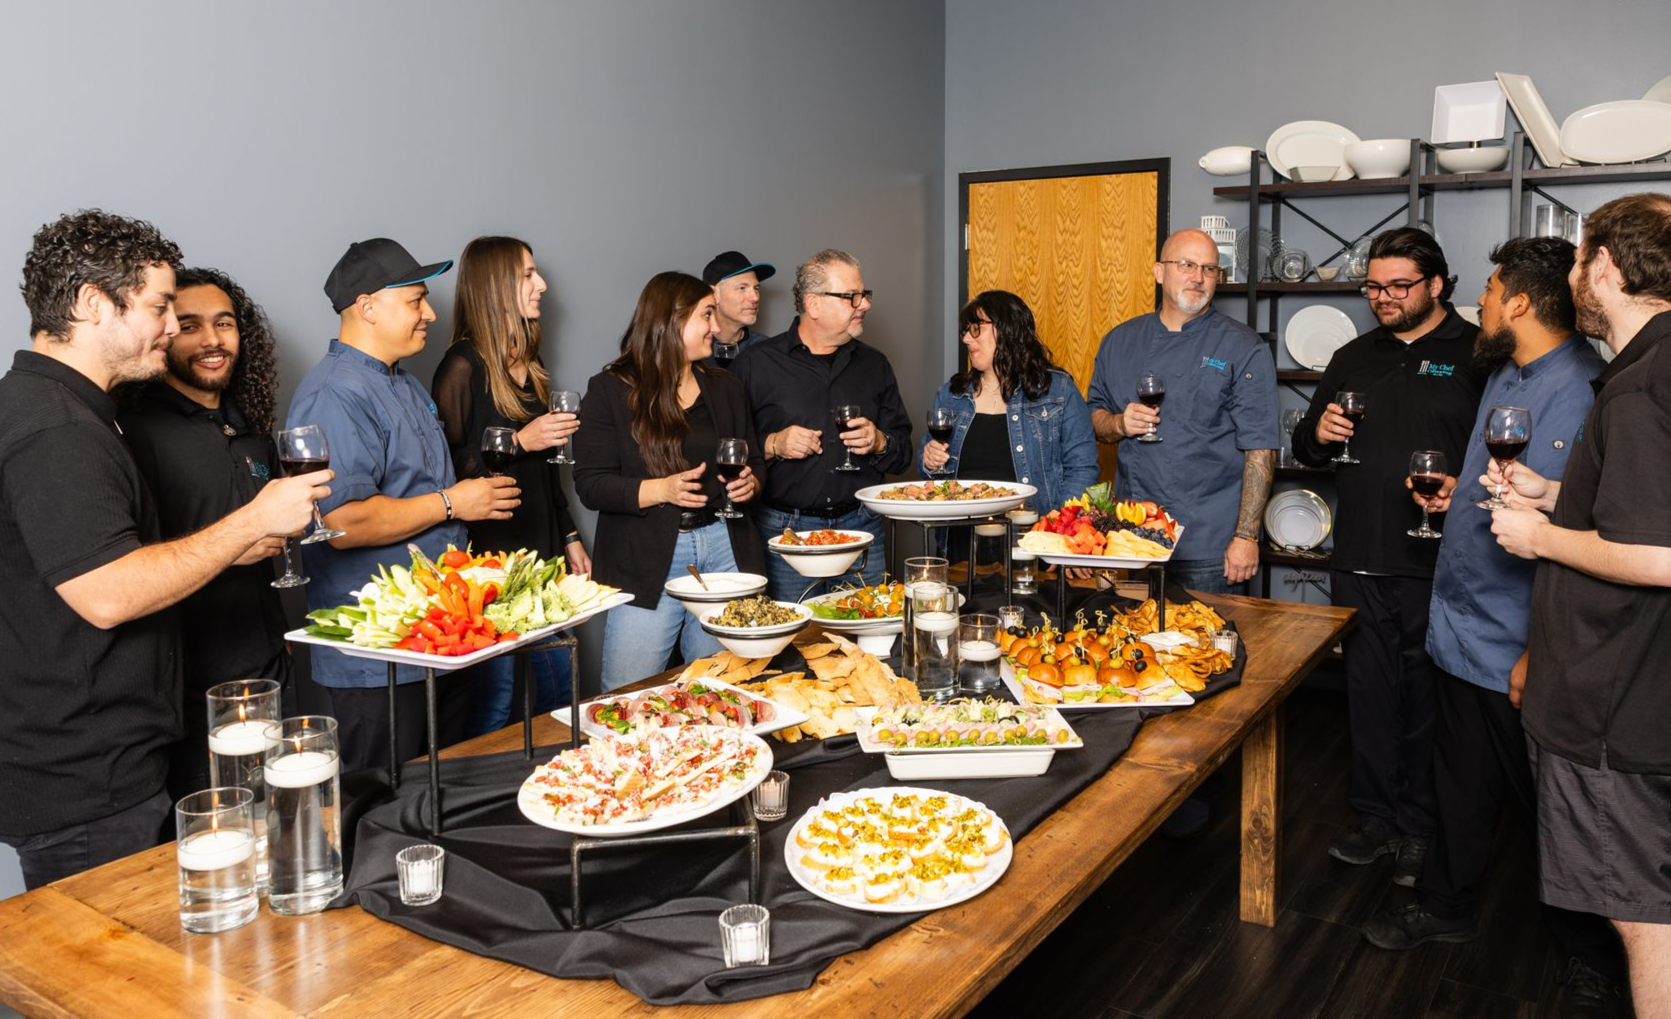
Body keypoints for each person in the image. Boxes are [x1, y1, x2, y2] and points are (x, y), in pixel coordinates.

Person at [0, 210, 324, 889]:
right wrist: (248, 522)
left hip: (111, 764)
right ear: (93, 304)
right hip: (86, 780)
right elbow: (107, 592)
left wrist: (229, 548)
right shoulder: (56, 428)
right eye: (158, 306)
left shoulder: (74, 409)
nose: (173, 326)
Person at [1359, 238, 1626, 1014]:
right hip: (1461, 625)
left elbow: (1583, 535)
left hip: (1517, 640)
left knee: (1553, 806)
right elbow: (1508, 492)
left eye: (1487, 289)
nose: (1478, 302)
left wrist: (1536, 653)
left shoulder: (1582, 390)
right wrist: (1453, 494)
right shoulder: (1504, 372)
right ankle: (1445, 904)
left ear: (1517, 302)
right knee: (1458, 782)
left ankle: (1593, 956)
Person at [1489, 192, 1671, 1016]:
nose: (1570, 278)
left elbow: (1659, 554)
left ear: (1605, 266)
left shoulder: (1636, 389)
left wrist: (1539, 538)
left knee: (1641, 919)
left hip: (1613, 705)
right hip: (1639, 693)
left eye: (1576, 261)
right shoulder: (1653, 368)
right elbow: (1637, 505)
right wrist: (1554, 493)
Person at [1291, 227, 1486, 886]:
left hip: (1438, 560)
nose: (1383, 297)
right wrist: (1314, 432)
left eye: (1398, 285)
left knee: (1429, 701)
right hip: (1358, 556)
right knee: (1368, 694)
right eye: (1373, 285)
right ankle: (1374, 814)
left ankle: (1421, 826)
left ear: (1436, 284)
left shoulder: (1477, 354)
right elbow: (1310, 451)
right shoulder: (1351, 356)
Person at [288, 238, 520, 772]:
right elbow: (342, 523)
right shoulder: (335, 394)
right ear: (367, 307)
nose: (430, 313)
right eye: (416, 301)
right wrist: (453, 502)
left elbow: (417, 483)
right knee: (381, 806)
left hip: (437, 637)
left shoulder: (406, 383)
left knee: (443, 789)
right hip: (380, 653)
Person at [117, 266, 294, 798]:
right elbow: (122, 564)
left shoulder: (250, 427)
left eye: (225, 323)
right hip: (192, 693)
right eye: (191, 326)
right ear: (166, 329)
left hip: (269, 674)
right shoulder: (135, 430)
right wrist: (232, 549)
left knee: (283, 828)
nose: (213, 340)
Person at [573, 271, 766, 690]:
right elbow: (589, 484)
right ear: (671, 321)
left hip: (725, 549)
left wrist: (752, 483)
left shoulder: (726, 386)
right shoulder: (610, 390)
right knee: (628, 692)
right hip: (648, 559)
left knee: (720, 688)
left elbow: (754, 459)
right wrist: (661, 489)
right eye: (707, 315)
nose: (716, 327)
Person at [432, 236, 590, 738]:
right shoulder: (461, 366)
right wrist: (519, 441)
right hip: (490, 567)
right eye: (527, 275)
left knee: (561, 694)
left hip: (542, 554)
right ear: (494, 285)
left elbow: (549, 469)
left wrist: (568, 534)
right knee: (496, 701)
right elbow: (447, 468)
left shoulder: (531, 366)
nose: (541, 285)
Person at [1087, 228, 1279, 594]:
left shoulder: (1242, 346)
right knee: (1132, 645)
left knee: (1204, 649)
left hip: (1209, 543)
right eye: (1187, 265)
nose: (1198, 277)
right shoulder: (1120, 340)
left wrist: (1246, 537)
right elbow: (1094, 418)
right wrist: (1119, 423)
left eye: (1209, 269)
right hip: (1132, 538)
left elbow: (1261, 448)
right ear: (1159, 272)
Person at [731, 249, 913, 601]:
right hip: (788, 536)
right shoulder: (756, 364)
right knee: (794, 646)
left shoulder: (875, 365)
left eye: (864, 295)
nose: (864, 305)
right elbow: (728, 448)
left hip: (862, 532)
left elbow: (903, 451)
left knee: (869, 643)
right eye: (851, 297)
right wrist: (773, 444)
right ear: (813, 305)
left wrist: (880, 443)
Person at [920, 289, 1098, 510]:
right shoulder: (951, 395)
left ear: (1007, 329)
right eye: (965, 331)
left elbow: (1082, 469)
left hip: (1029, 537)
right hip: (959, 536)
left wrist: (1056, 527)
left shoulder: (1058, 391)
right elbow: (928, 466)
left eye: (976, 328)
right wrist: (928, 460)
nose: (966, 338)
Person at [701, 249, 774, 367]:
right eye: (742, 288)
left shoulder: (767, 350)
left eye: (756, 288)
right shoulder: (692, 350)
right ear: (714, 295)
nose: (755, 297)